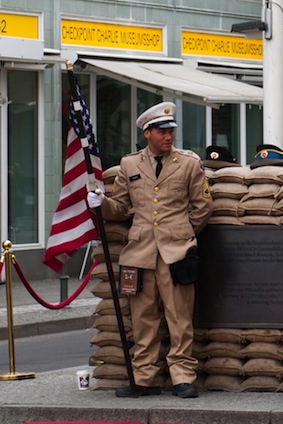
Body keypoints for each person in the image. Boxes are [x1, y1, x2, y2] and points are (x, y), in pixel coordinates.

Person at [88, 101, 213, 399]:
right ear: (147, 133)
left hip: (177, 253)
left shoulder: (189, 163)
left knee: (179, 318)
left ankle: (182, 376)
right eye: (161, 131)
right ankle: (144, 378)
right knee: (143, 319)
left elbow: (203, 206)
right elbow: (121, 207)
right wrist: (101, 204)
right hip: (140, 253)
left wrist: (183, 233)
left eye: (171, 130)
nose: (168, 136)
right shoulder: (130, 165)